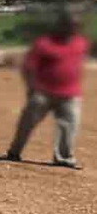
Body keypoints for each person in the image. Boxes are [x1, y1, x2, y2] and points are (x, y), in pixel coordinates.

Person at [7, 10, 90, 169]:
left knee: (69, 127)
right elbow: (29, 67)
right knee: (27, 124)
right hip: (43, 93)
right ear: (61, 25)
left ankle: (64, 157)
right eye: (70, 25)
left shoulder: (81, 43)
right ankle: (14, 151)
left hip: (70, 94)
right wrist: (32, 88)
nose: (73, 29)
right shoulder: (44, 44)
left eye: (76, 26)